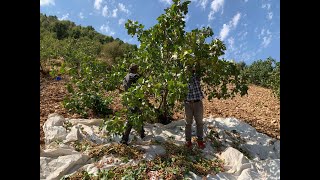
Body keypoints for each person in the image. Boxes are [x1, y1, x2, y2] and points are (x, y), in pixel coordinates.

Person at [120, 63, 145, 145]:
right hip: (135, 100)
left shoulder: (126, 77)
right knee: (132, 119)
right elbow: (141, 87)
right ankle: (124, 139)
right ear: (136, 69)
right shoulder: (135, 77)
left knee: (138, 115)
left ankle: (142, 133)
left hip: (129, 99)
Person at [184, 65, 206, 149]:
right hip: (188, 104)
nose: (188, 70)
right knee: (188, 123)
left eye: (190, 68)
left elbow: (201, 68)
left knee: (199, 123)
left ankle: (200, 141)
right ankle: (188, 141)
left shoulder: (197, 76)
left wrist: (196, 67)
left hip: (198, 103)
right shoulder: (182, 79)